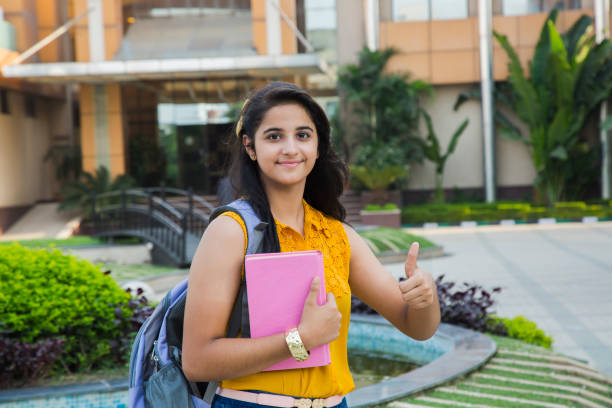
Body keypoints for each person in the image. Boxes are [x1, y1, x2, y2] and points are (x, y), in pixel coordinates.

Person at [182, 82, 440, 408]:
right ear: (250, 147)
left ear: (318, 147)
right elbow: (198, 360)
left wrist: (424, 298)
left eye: (303, 135)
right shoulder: (231, 232)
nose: (290, 148)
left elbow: (416, 327)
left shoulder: (337, 235)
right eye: (274, 136)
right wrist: (300, 341)